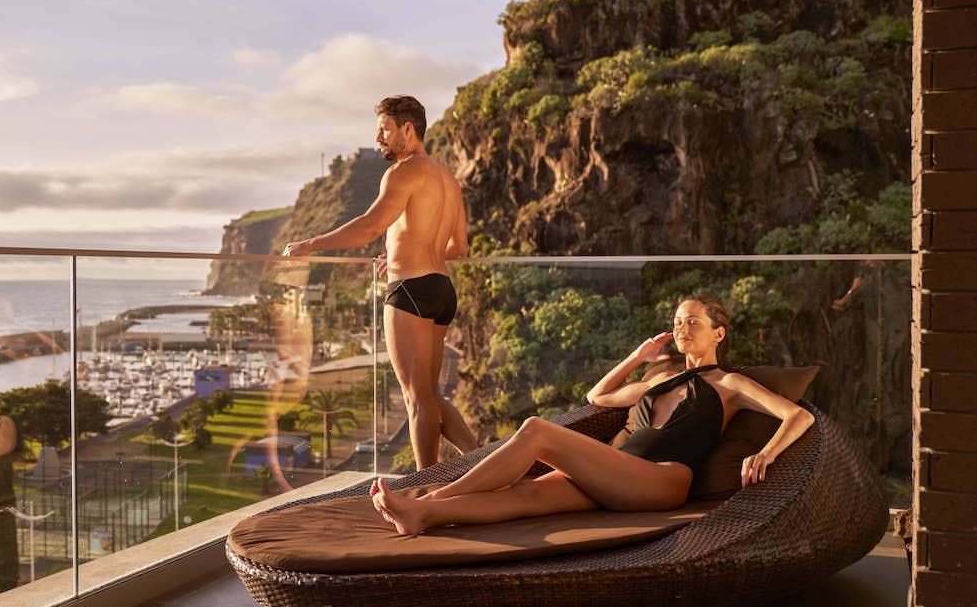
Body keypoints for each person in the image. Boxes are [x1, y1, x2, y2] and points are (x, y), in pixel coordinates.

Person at [371, 295, 814, 536]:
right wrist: (637, 357)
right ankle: (423, 518)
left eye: (693, 322)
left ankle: (433, 500)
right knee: (524, 498)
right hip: (617, 471)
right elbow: (598, 396)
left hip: (660, 478)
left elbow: (798, 417)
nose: (681, 328)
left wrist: (767, 454)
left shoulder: (730, 385)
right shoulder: (658, 381)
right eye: (678, 321)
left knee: (536, 431)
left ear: (719, 332)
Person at [283, 95, 475, 470]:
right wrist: (406, 252)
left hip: (411, 291)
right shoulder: (448, 178)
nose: (379, 139)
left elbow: (371, 226)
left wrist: (311, 245)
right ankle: (486, 464)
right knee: (429, 398)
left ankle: (424, 487)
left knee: (417, 401)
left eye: (385, 130)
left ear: (408, 128)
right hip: (440, 289)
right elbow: (459, 247)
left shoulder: (403, 172)